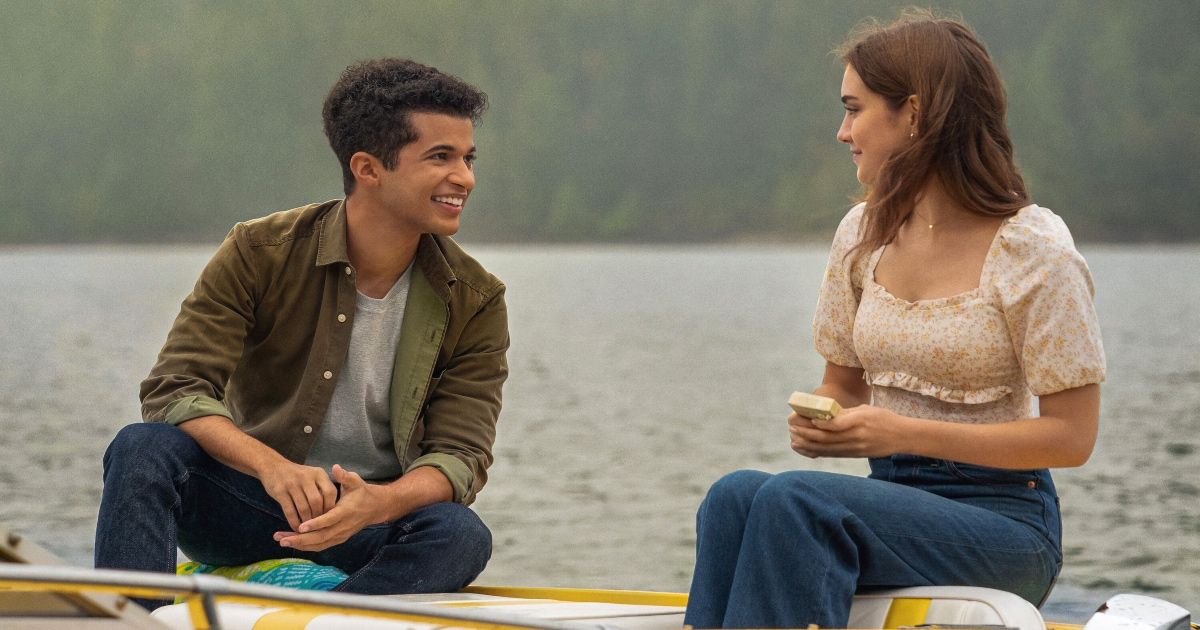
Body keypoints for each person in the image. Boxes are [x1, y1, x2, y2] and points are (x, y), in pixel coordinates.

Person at [685, 10, 1105, 629]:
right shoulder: (863, 233)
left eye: (854, 109)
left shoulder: (1033, 250)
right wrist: (825, 418)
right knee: (734, 498)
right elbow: (844, 385)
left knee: (797, 502)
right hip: (890, 504)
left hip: (1006, 523)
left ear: (913, 114)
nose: (841, 131)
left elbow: (1072, 439)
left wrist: (901, 433)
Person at [94, 58, 509, 609]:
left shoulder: (476, 298)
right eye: (441, 157)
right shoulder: (258, 251)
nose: (465, 177)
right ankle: (134, 621)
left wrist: (378, 504)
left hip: (369, 525)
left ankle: (326, 614)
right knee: (143, 448)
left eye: (467, 158)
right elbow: (175, 389)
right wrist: (273, 468)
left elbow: (460, 456)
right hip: (252, 506)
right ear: (368, 168)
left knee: (460, 534)